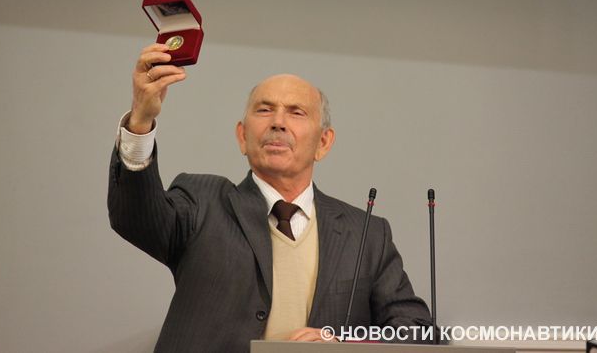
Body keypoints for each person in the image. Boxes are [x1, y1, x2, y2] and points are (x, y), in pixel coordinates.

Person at [107, 43, 432, 352]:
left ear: (323, 142)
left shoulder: (366, 235)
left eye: (296, 113)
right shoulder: (201, 202)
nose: (278, 122)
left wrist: (343, 344)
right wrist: (140, 122)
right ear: (242, 136)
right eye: (265, 110)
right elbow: (136, 218)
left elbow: (416, 329)